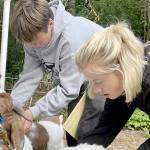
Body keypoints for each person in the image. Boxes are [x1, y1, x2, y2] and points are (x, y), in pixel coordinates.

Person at [10, 0, 104, 146]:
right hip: (79, 83)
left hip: (107, 78)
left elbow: (68, 89)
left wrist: (32, 112)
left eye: (35, 42)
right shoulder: (31, 36)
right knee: (72, 136)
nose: (32, 46)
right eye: (27, 42)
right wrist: (11, 107)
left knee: (85, 134)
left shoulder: (71, 38)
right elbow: (29, 77)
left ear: (50, 24)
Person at [75, 22, 150, 149]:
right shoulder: (124, 81)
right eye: (91, 82)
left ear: (120, 66)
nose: (95, 91)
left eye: (98, 81)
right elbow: (106, 128)